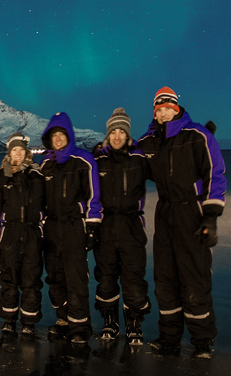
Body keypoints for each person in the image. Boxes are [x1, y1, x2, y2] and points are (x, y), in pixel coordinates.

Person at [138, 87, 227, 359]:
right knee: (165, 278)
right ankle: (170, 338)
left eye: (168, 107)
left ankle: (202, 341)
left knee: (195, 277)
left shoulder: (197, 135)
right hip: (165, 214)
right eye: (159, 109)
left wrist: (210, 216)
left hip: (192, 212)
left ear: (176, 108)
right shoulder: (150, 141)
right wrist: (105, 150)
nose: (164, 112)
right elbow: (129, 159)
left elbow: (215, 173)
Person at [39, 112, 102, 346]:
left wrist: (92, 226)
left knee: (75, 277)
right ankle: (63, 318)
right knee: (55, 276)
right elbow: (38, 199)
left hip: (75, 225)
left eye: (61, 134)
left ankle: (80, 324)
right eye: (53, 135)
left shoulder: (84, 160)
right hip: (52, 227)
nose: (57, 139)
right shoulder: (45, 165)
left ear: (69, 136)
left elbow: (93, 196)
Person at [91, 108, 151, 346]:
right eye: (113, 131)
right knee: (106, 277)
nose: (117, 136)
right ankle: (110, 321)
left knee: (134, 278)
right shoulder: (98, 159)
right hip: (105, 226)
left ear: (128, 135)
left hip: (132, 225)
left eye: (121, 131)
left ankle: (134, 323)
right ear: (108, 135)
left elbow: (169, 170)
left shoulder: (139, 158)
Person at [0, 132, 45, 336]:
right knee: (8, 279)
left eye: (21, 150)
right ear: (9, 153)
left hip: (31, 233)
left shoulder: (36, 175)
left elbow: (44, 204)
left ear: (26, 153)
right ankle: (9, 319)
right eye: (14, 150)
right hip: (9, 233)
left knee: (31, 278)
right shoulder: (1, 176)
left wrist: (43, 228)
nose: (18, 154)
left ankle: (29, 321)